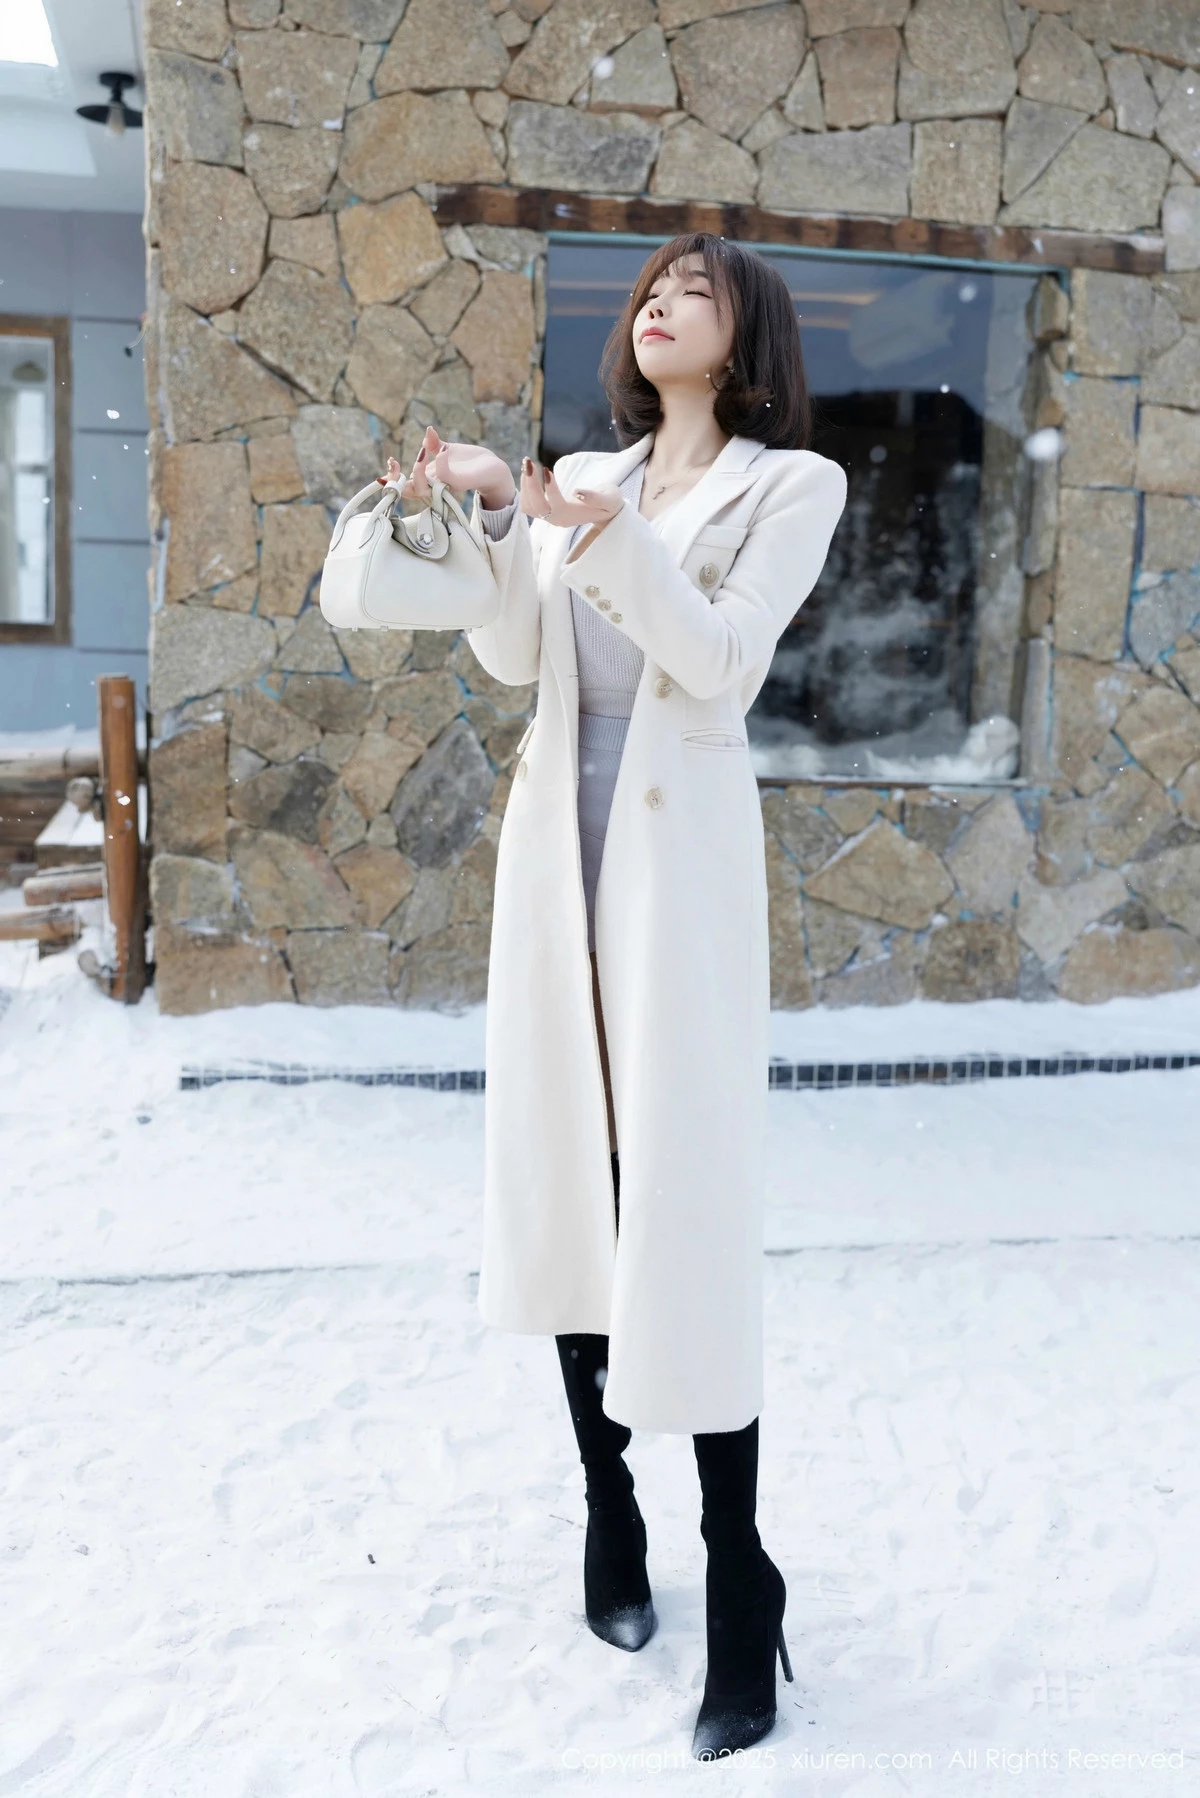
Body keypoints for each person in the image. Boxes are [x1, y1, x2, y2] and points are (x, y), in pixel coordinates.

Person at [385, 232, 847, 1760]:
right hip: (555, 874)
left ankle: (740, 1565)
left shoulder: (793, 486)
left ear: (747, 330)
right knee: (572, 1194)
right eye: (650, 288)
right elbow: (516, 653)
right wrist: (485, 515)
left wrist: (604, 534)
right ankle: (607, 1499)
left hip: (679, 890)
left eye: (694, 290)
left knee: (683, 1216)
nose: (660, 304)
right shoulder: (587, 471)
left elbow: (718, 663)